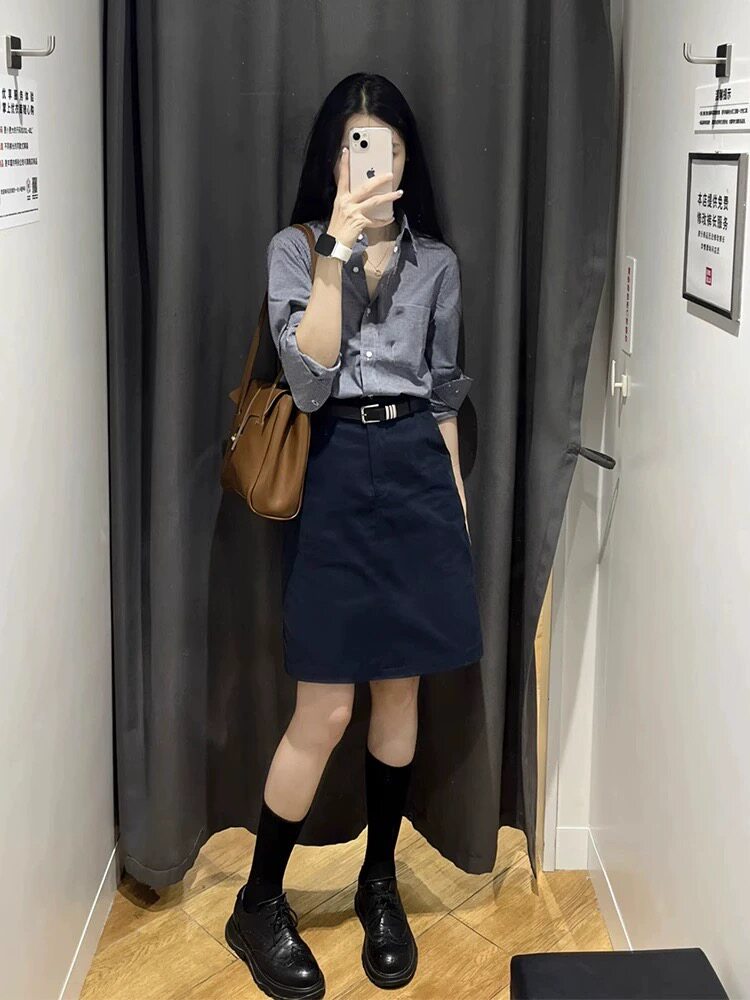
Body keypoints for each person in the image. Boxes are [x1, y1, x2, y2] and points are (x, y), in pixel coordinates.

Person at [224, 72, 483, 1000]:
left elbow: (443, 392)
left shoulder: (438, 263)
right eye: (354, 148)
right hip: (333, 467)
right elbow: (309, 380)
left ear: (408, 160)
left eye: (385, 148)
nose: (369, 164)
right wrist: (337, 245)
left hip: (415, 472)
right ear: (330, 159)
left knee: (400, 694)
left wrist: (455, 509)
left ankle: (380, 882)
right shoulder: (294, 251)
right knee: (326, 709)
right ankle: (257, 900)